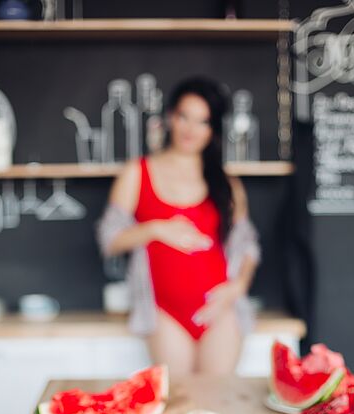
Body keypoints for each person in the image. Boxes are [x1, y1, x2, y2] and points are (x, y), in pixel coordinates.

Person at [98, 77, 261, 378]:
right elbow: (109, 239)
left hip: (220, 311)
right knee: (180, 403)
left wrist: (238, 287)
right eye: (184, 117)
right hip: (165, 314)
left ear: (213, 130)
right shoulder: (138, 173)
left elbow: (247, 244)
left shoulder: (226, 183)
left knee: (218, 402)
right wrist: (156, 229)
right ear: (171, 116)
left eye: (203, 121)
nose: (190, 129)